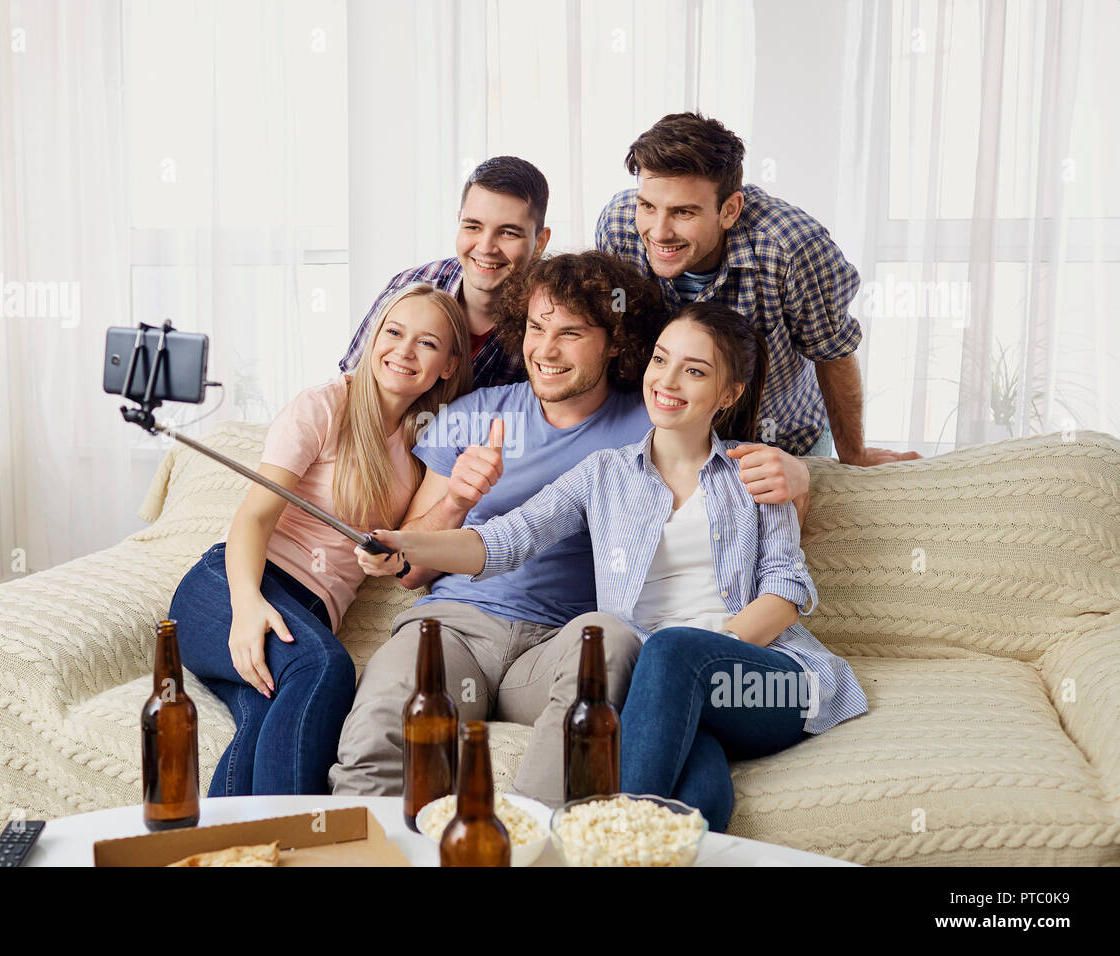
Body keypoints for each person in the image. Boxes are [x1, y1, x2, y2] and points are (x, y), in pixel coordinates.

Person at [361, 299, 868, 830]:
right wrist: (406, 543)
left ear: (729, 393)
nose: (667, 381)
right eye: (660, 360)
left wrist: (710, 650)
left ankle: (573, 842)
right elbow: (506, 540)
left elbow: (786, 588)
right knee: (700, 799)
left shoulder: (758, 471)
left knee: (671, 651)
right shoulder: (603, 474)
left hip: (759, 677)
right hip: (660, 688)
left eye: (694, 371)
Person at [167, 284, 472, 796]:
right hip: (228, 588)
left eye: (426, 343)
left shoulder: (426, 443)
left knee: (261, 723)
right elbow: (253, 518)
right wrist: (247, 607)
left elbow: (417, 554)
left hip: (305, 615)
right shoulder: (323, 407)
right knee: (325, 666)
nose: (403, 350)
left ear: (447, 364)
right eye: (394, 332)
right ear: (374, 337)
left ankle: (223, 851)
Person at [596, 110, 922, 467]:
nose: (659, 232)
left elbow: (832, 352)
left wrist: (853, 455)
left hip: (781, 437)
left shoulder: (793, 247)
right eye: (647, 205)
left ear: (730, 210)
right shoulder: (618, 227)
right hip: (674, 436)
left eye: (683, 213)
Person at [339, 156, 552, 390]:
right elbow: (349, 385)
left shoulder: (550, 317)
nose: (485, 247)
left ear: (540, 242)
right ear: (459, 221)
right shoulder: (409, 288)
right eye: (473, 227)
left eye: (509, 233)